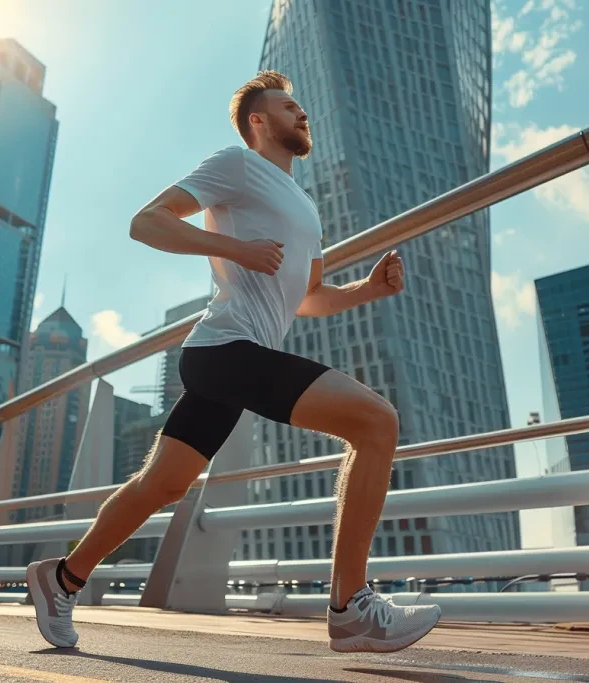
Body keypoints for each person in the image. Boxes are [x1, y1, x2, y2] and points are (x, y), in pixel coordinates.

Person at [27, 70, 441, 654]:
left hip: (233, 358)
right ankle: (351, 608)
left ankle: (62, 578)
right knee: (377, 422)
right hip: (224, 348)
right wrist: (233, 248)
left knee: (160, 485)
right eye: (287, 105)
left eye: (301, 106)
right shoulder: (238, 165)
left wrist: (366, 290)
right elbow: (146, 222)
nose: (301, 114)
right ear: (257, 121)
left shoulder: (306, 205)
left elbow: (307, 298)